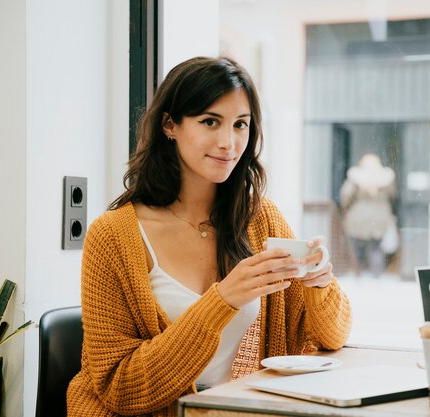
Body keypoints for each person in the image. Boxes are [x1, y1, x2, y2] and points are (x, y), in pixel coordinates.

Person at [66, 56, 352, 417]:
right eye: (210, 122)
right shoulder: (112, 237)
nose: (229, 143)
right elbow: (121, 388)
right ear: (170, 125)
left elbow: (332, 337)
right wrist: (223, 300)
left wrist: (319, 285)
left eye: (240, 125)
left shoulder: (260, 219)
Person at [339, 153, 397, 277]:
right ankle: (376, 274)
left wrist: (347, 207)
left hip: (358, 216)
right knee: (376, 247)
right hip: (380, 216)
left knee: (357, 246)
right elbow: (393, 195)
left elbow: (346, 194)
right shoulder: (385, 178)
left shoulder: (356, 177)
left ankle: (358, 273)